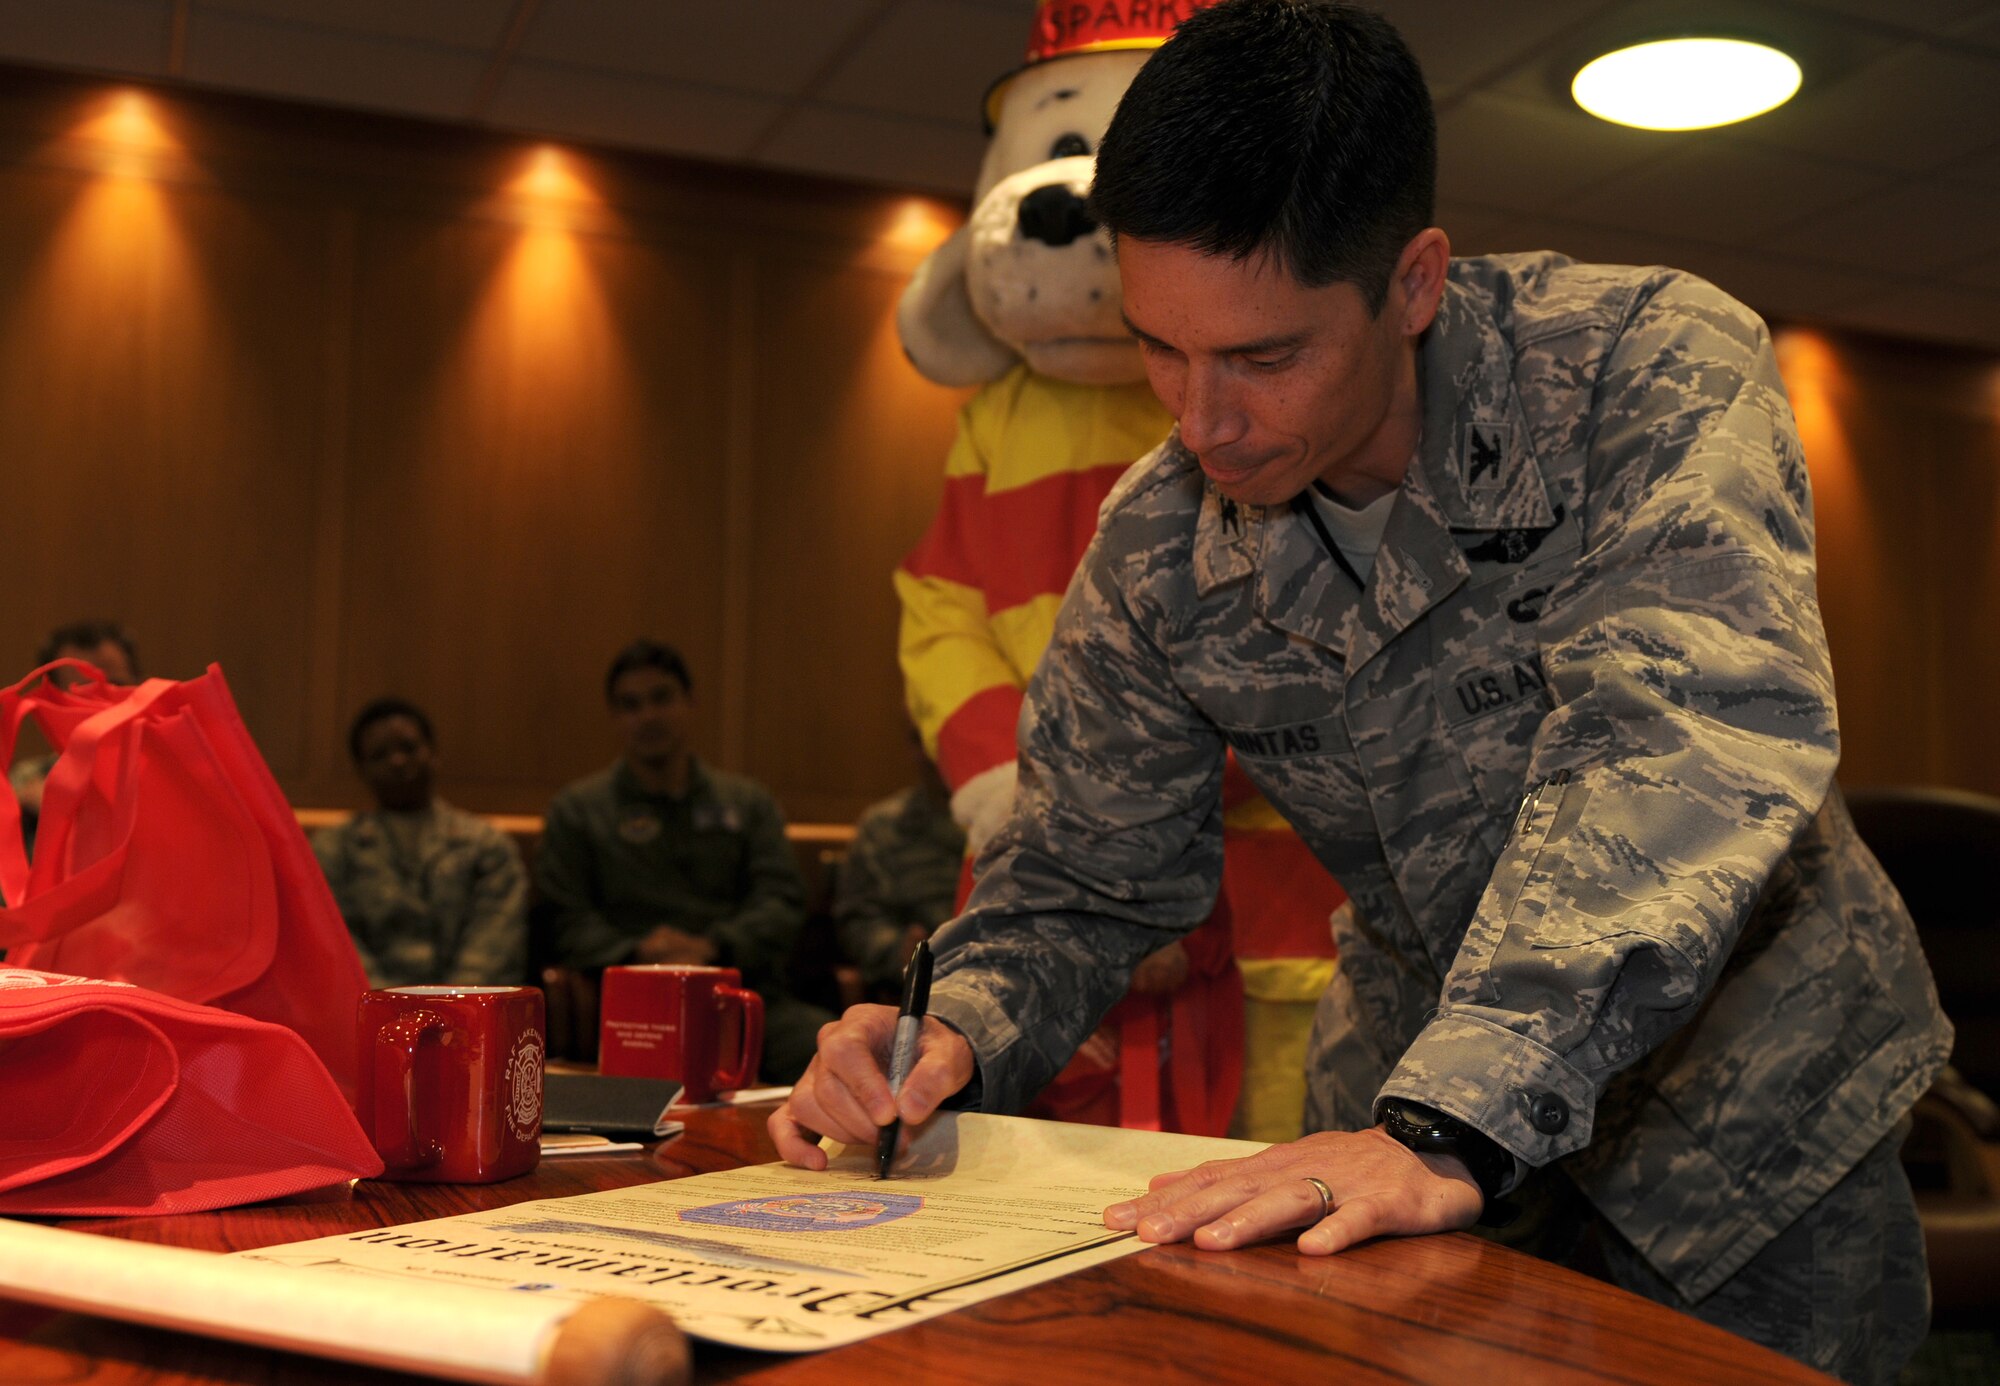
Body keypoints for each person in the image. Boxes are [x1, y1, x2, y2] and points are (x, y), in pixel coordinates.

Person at [770, 4, 1951, 1381]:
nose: (1200, 420)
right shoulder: (1161, 542)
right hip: (1398, 1129)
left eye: (1264, 357)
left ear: (1415, 282)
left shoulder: (1643, 367)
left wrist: (1453, 1124)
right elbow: (1084, 879)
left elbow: (1675, 746)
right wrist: (948, 1028)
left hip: (1748, 1112)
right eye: (1162, 347)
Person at [535, 640, 831, 1083]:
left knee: (827, 1048)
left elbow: (782, 901)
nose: (648, 716)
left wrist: (713, 947)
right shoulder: (580, 811)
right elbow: (562, 919)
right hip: (630, 1007)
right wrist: (640, 952)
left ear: (689, 703)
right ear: (615, 717)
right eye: (631, 705)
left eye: (661, 698)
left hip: (737, 997)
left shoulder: (747, 803)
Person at [313, 697, 527, 988]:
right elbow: (336, 943)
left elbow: (495, 941)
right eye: (380, 754)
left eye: (408, 748)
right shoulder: (334, 850)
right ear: (361, 770)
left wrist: (451, 1004)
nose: (398, 761)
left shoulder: (486, 846)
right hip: (369, 1013)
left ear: (433, 753)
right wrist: (386, 1004)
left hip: (470, 1009)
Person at [833, 731, 965, 1001]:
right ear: (915, 745)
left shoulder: (1014, 819)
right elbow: (859, 921)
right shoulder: (884, 827)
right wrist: (899, 950)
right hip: (916, 995)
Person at [8, 620, 142, 860]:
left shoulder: (168, 772)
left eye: (116, 685)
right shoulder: (28, 780)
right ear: (52, 703)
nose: (103, 700)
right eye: (83, 690)